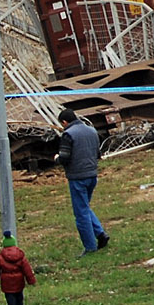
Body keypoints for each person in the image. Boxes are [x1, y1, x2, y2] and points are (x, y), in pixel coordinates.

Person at [57, 107, 110, 254]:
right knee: (85, 207)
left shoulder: (68, 135)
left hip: (77, 177)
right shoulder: (92, 131)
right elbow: (98, 153)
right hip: (92, 175)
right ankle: (100, 234)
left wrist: (57, 159)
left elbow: (64, 157)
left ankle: (90, 247)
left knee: (81, 214)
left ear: (65, 122)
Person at [0, 235, 36, 305]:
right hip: (19, 279)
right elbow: (27, 269)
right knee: (19, 294)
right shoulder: (21, 256)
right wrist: (31, 280)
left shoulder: (0, 257)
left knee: (9, 296)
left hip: (6, 281)